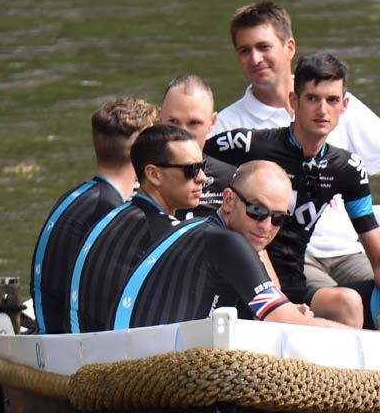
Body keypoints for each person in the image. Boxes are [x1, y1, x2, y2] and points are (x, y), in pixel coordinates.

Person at [207, 53, 380, 333]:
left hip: (298, 284)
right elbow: (189, 162)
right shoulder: (247, 144)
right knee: (346, 304)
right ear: (293, 101)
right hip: (254, 284)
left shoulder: (346, 168)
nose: (322, 109)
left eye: (332, 100)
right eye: (312, 98)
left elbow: (379, 256)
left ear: (344, 106)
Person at [214, 1, 380, 297]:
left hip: (348, 251)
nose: (255, 58)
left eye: (263, 47)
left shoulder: (338, 103)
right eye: (244, 51)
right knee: (345, 304)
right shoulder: (229, 127)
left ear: (289, 48)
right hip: (286, 260)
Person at [112, 160, 353, 330]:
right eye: (257, 211)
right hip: (165, 379)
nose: (266, 226)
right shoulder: (228, 243)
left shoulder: (201, 228)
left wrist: (286, 310)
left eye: (279, 218)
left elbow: (275, 311)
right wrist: (369, 339)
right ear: (228, 200)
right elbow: (282, 321)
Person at [29, 97, 156, 334]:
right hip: (68, 349)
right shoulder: (111, 212)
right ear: (143, 153)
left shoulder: (78, 196)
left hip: (52, 333)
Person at [69, 124, 206, 332]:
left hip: (81, 347)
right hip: (121, 359)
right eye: (191, 170)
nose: (202, 177)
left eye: (202, 166)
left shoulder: (111, 217)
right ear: (154, 174)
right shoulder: (168, 235)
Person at [160, 74, 236, 219]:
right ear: (159, 118)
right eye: (173, 122)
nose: (182, 133)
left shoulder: (231, 180)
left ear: (212, 122)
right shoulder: (136, 175)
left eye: (194, 123)